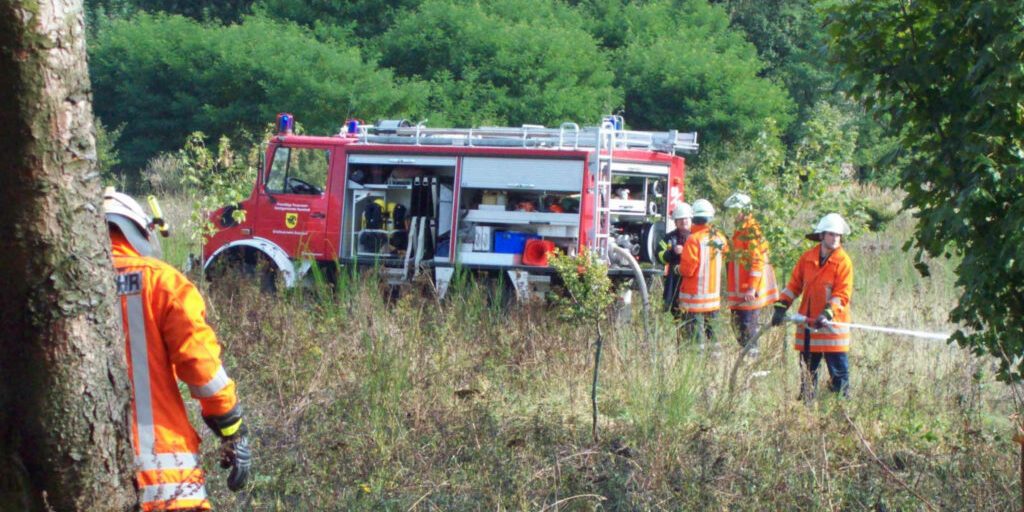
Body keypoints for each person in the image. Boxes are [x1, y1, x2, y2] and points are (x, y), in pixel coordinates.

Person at [104, 188, 251, 511]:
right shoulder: (162, 283)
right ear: (138, 232)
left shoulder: (43, 287)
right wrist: (232, 429)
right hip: (162, 476)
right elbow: (202, 367)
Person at [771, 213, 854, 399]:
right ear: (822, 235)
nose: (835, 239)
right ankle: (806, 411)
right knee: (808, 377)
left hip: (832, 328)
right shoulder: (807, 258)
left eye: (838, 235)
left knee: (839, 377)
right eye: (831, 234)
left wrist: (828, 313)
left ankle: (842, 410)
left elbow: (842, 294)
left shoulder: (843, 262)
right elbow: (794, 286)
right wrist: (781, 305)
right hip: (809, 327)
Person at [724, 193, 779, 356]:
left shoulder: (751, 231)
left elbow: (757, 261)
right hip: (741, 291)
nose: (733, 215)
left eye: (736, 211)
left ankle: (751, 361)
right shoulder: (740, 230)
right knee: (738, 325)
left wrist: (751, 288)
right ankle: (746, 359)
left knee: (747, 328)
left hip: (749, 292)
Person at [678, 198, 729, 345]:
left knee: (695, 341)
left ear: (693, 217)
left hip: (694, 300)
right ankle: (716, 364)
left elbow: (688, 270)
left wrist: (677, 268)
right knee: (714, 340)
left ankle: (697, 363)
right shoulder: (719, 237)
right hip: (713, 300)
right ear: (710, 217)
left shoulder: (693, 240)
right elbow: (726, 254)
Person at [657, 201, 693, 314]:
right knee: (676, 313)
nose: (683, 221)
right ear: (675, 222)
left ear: (691, 219)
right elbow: (659, 255)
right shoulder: (669, 238)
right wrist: (672, 252)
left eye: (686, 218)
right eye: (680, 219)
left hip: (691, 281)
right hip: (674, 281)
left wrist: (685, 251)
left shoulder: (696, 237)